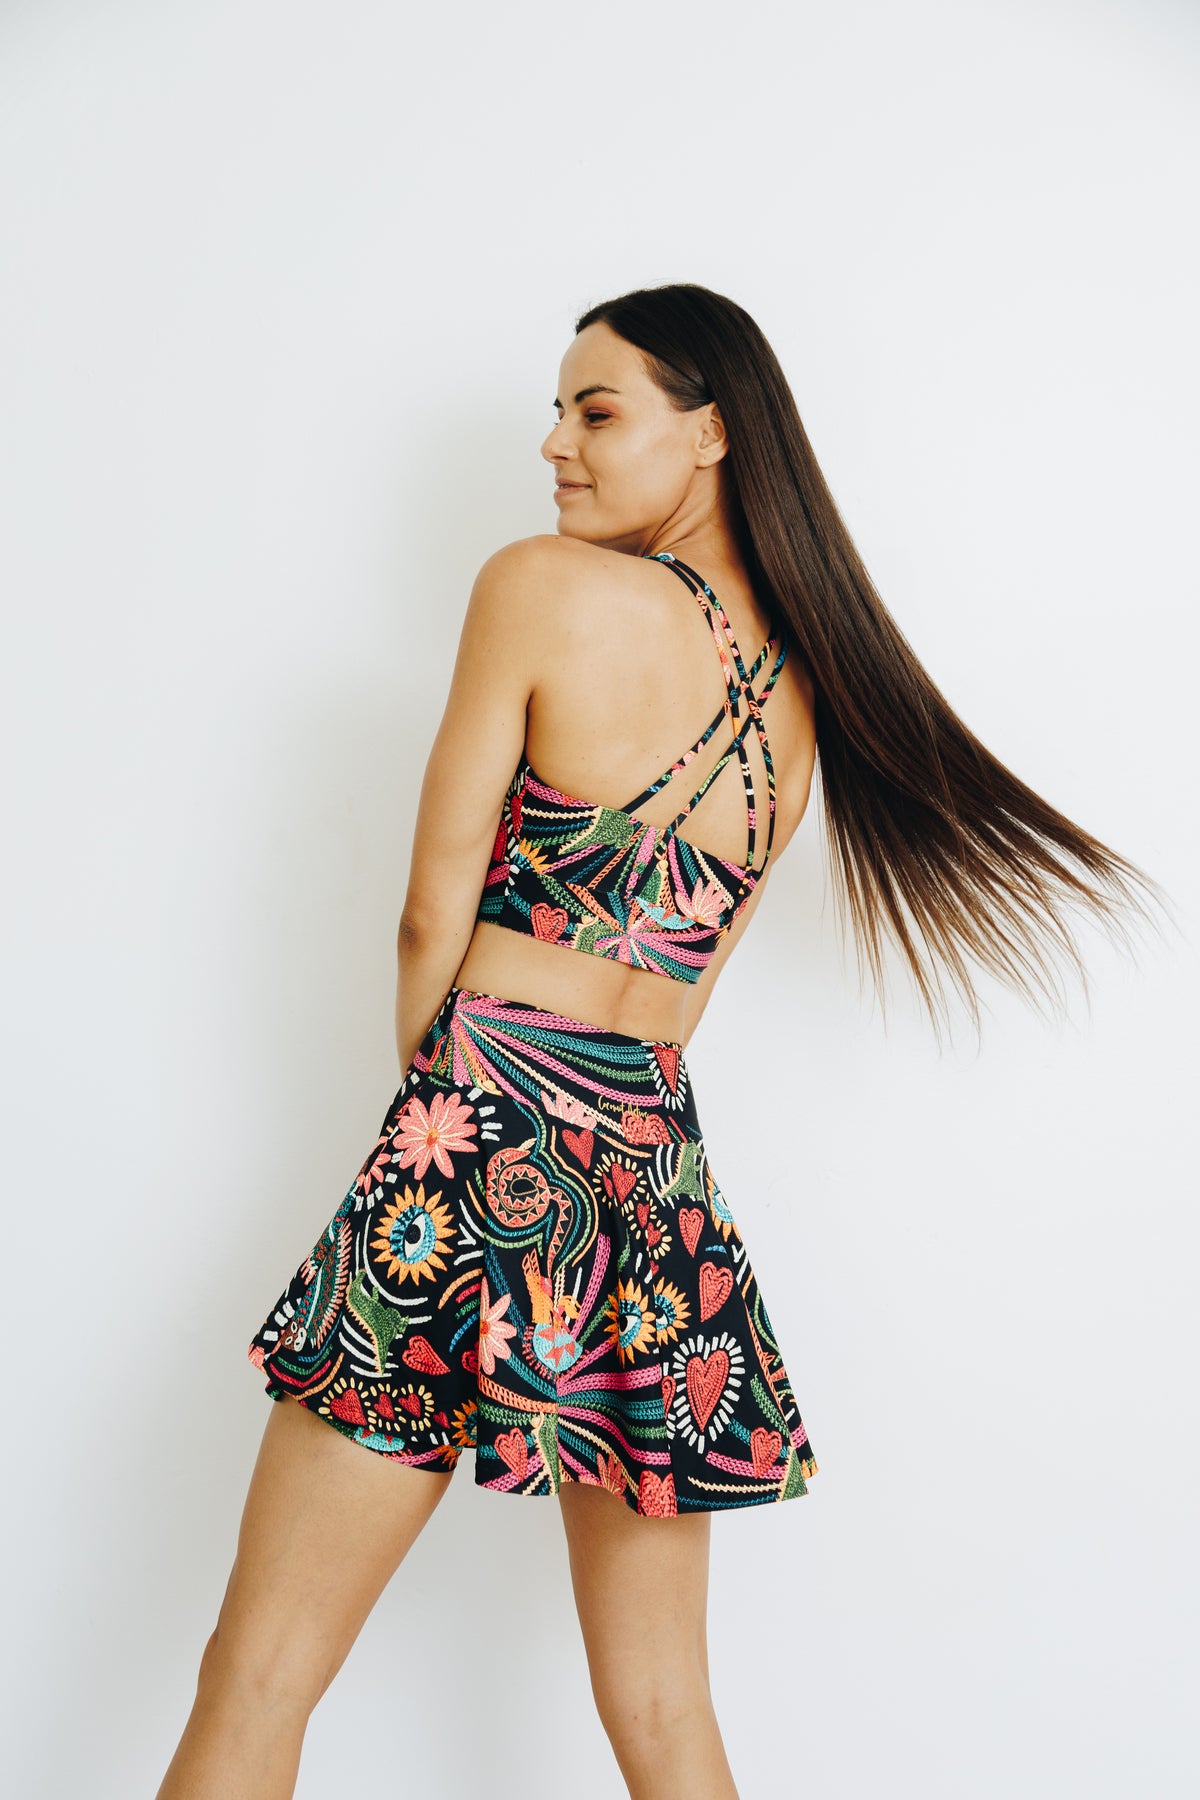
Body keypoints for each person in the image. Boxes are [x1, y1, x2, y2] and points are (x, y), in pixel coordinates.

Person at [157, 283, 1162, 1800]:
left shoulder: (538, 587)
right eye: (557, 412)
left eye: (596, 409)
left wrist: (435, 1141)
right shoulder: (801, 704)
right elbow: (685, 991)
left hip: (475, 1133)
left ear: (712, 432)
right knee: (667, 1716)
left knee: (258, 1678)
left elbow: (431, 919)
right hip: (652, 1185)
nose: (554, 445)